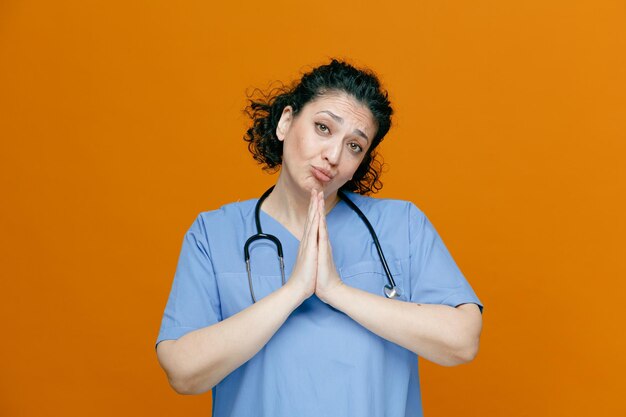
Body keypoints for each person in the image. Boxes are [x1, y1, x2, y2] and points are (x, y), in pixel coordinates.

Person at [155, 59, 484, 417]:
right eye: (323, 127)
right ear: (285, 122)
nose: (333, 156)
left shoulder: (401, 225)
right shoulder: (213, 233)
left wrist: (336, 291)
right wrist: (294, 290)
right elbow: (183, 372)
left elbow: (462, 341)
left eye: (355, 146)